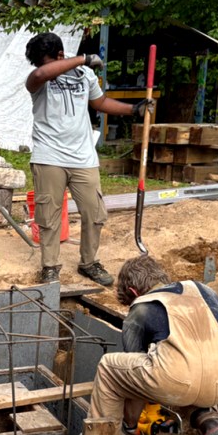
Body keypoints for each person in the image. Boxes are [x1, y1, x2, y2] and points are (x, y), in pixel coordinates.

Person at [24, 32, 155, 285]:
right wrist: (83, 58)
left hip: (83, 157)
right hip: (49, 155)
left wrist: (133, 109)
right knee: (49, 216)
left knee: (95, 213)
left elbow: (100, 102)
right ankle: (50, 266)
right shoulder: (40, 78)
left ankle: (89, 262)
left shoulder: (85, 76)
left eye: (46, 61)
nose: (42, 67)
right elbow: (39, 76)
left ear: (60, 56)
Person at [90, 254, 218, 435]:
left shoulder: (141, 308)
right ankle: (209, 418)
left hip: (180, 379)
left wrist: (132, 425)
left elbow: (133, 382)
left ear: (133, 291)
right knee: (195, 358)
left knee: (108, 368)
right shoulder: (204, 290)